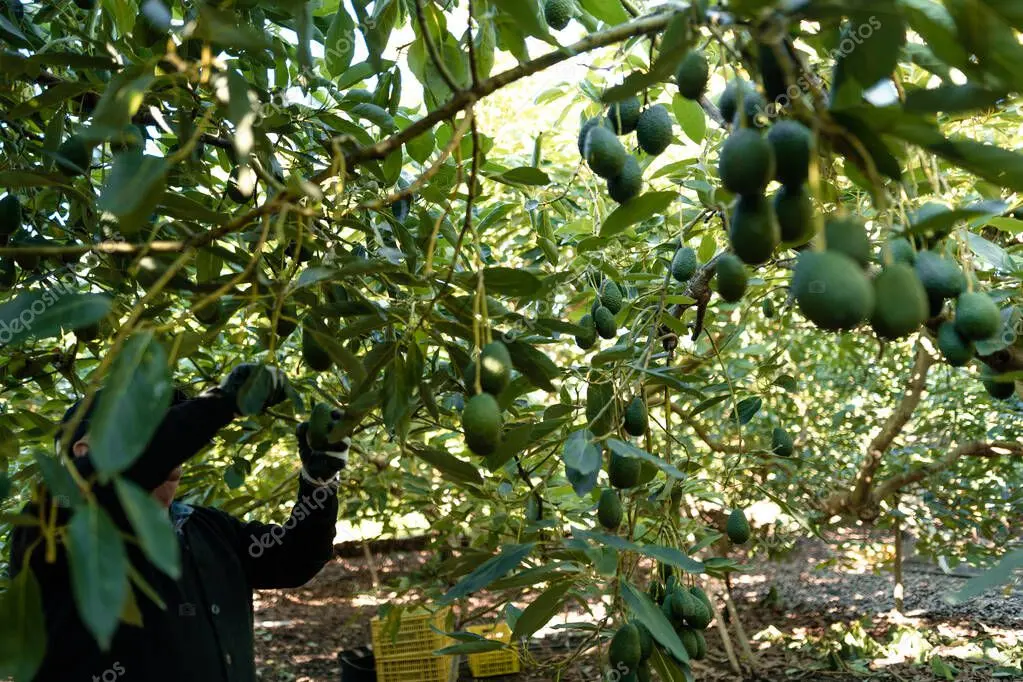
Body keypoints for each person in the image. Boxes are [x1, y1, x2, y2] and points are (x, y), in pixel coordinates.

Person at [9, 364, 350, 682]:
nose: (170, 443)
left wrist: (318, 484)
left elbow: (295, 559)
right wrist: (221, 403)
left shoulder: (206, 528)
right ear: (84, 452)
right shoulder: (49, 526)